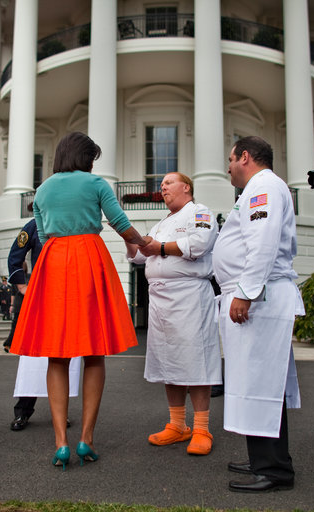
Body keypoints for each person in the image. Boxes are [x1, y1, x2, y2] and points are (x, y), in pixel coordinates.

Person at [9, 131, 150, 470]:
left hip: (54, 260)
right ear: (85, 159)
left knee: (56, 356)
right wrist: (145, 243)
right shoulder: (96, 184)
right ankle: (86, 437)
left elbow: (42, 234)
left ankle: (60, 443)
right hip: (89, 256)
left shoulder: (42, 189)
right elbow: (120, 224)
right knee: (94, 352)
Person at [212, 136, 304, 493]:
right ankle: (263, 458)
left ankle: (275, 470)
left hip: (259, 299)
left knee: (262, 382)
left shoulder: (263, 187)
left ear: (245, 157)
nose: (228, 167)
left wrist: (246, 293)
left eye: (231, 160)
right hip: (254, 297)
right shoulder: (257, 189)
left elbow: (262, 243)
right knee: (254, 383)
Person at [125, 172, 221, 456]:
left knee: (196, 359)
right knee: (169, 361)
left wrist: (161, 248)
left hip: (190, 296)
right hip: (161, 300)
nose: (163, 187)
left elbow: (200, 244)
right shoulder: (162, 222)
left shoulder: (200, 212)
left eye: (169, 183)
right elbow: (140, 255)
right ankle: (178, 424)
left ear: (186, 187)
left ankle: (202, 428)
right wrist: (127, 233)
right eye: (162, 184)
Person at [5, 219, 80, 431]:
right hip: (41, 297)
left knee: (65, 358)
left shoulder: (74, 220)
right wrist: (21, 285)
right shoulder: (35, 224)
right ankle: (22, 412)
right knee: (32, 359)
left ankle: (60, 413)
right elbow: (16, 254)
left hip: (67, 296)